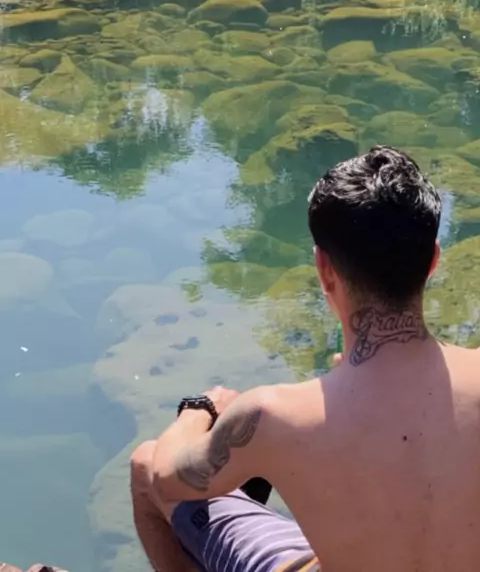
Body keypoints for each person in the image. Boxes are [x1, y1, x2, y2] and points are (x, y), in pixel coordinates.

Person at [130, 146, 480, 572]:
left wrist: (201, 409)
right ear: (433, 261)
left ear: (324, 268)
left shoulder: (271, 417)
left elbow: (168, 477)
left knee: (144, 463)